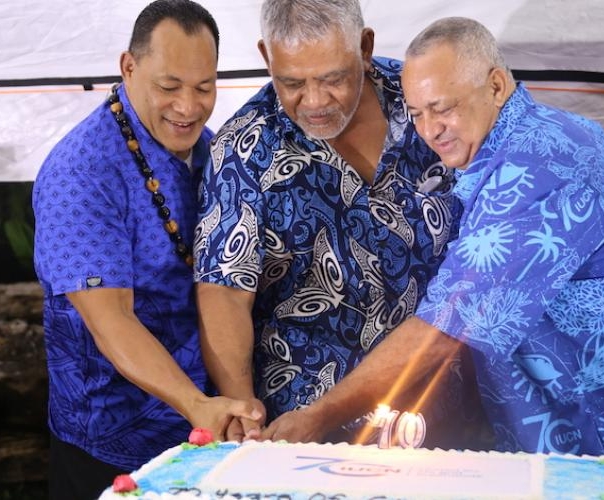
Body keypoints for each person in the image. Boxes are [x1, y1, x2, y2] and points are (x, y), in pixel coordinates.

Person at [398, 16, 604, 498]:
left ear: (495, 85)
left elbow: (445, 326)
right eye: (416, 113)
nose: (429, 130)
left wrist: (317, 418)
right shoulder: (512, 135)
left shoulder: (540, 160)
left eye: (442, 109)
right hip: (581, 393)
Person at [194, 0, 491, 449]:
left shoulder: (425, 101)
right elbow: (224, 293)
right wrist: (244, 411)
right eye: (292, 83)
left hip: (442, 407)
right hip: (305, 429)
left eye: (334, 79)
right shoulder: (244, 150)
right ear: (266, 56)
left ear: (365, 48)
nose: (314, 101)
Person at [32, 2, 261, 498]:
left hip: (210, 432)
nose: (188, 107)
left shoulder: (212, 149)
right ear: (129, 67)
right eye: (169, 87)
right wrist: (195, 404)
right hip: (109, 443)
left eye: (204, 88)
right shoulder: (82, 170)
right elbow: (110, 319)